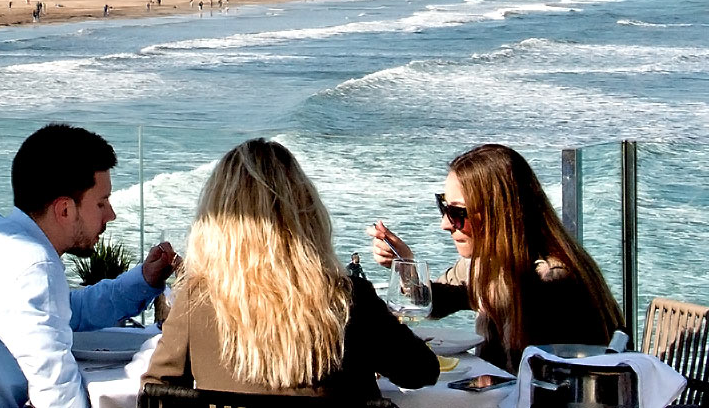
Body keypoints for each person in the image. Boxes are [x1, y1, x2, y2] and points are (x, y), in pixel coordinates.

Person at [0, 124, 180, 408]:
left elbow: (70, 311)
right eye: (101, 203)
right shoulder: (31, 264)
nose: (111, 215)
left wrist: (144, 280)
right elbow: (57, 394)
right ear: (64, 210)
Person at [144, 139, 436, 401]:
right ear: (307, 215)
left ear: (214, 223)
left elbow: (156, 391)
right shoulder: (349, 299)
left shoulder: (196, 301)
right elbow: (421, 372)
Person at [367, 144, 623, 371]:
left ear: (499, 214)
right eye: (443, 207)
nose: (445, 224)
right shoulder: (490, 264)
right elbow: (438, 301)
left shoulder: (549, 282)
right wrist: (405, 265)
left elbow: (545, 384)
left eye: (457, 212)